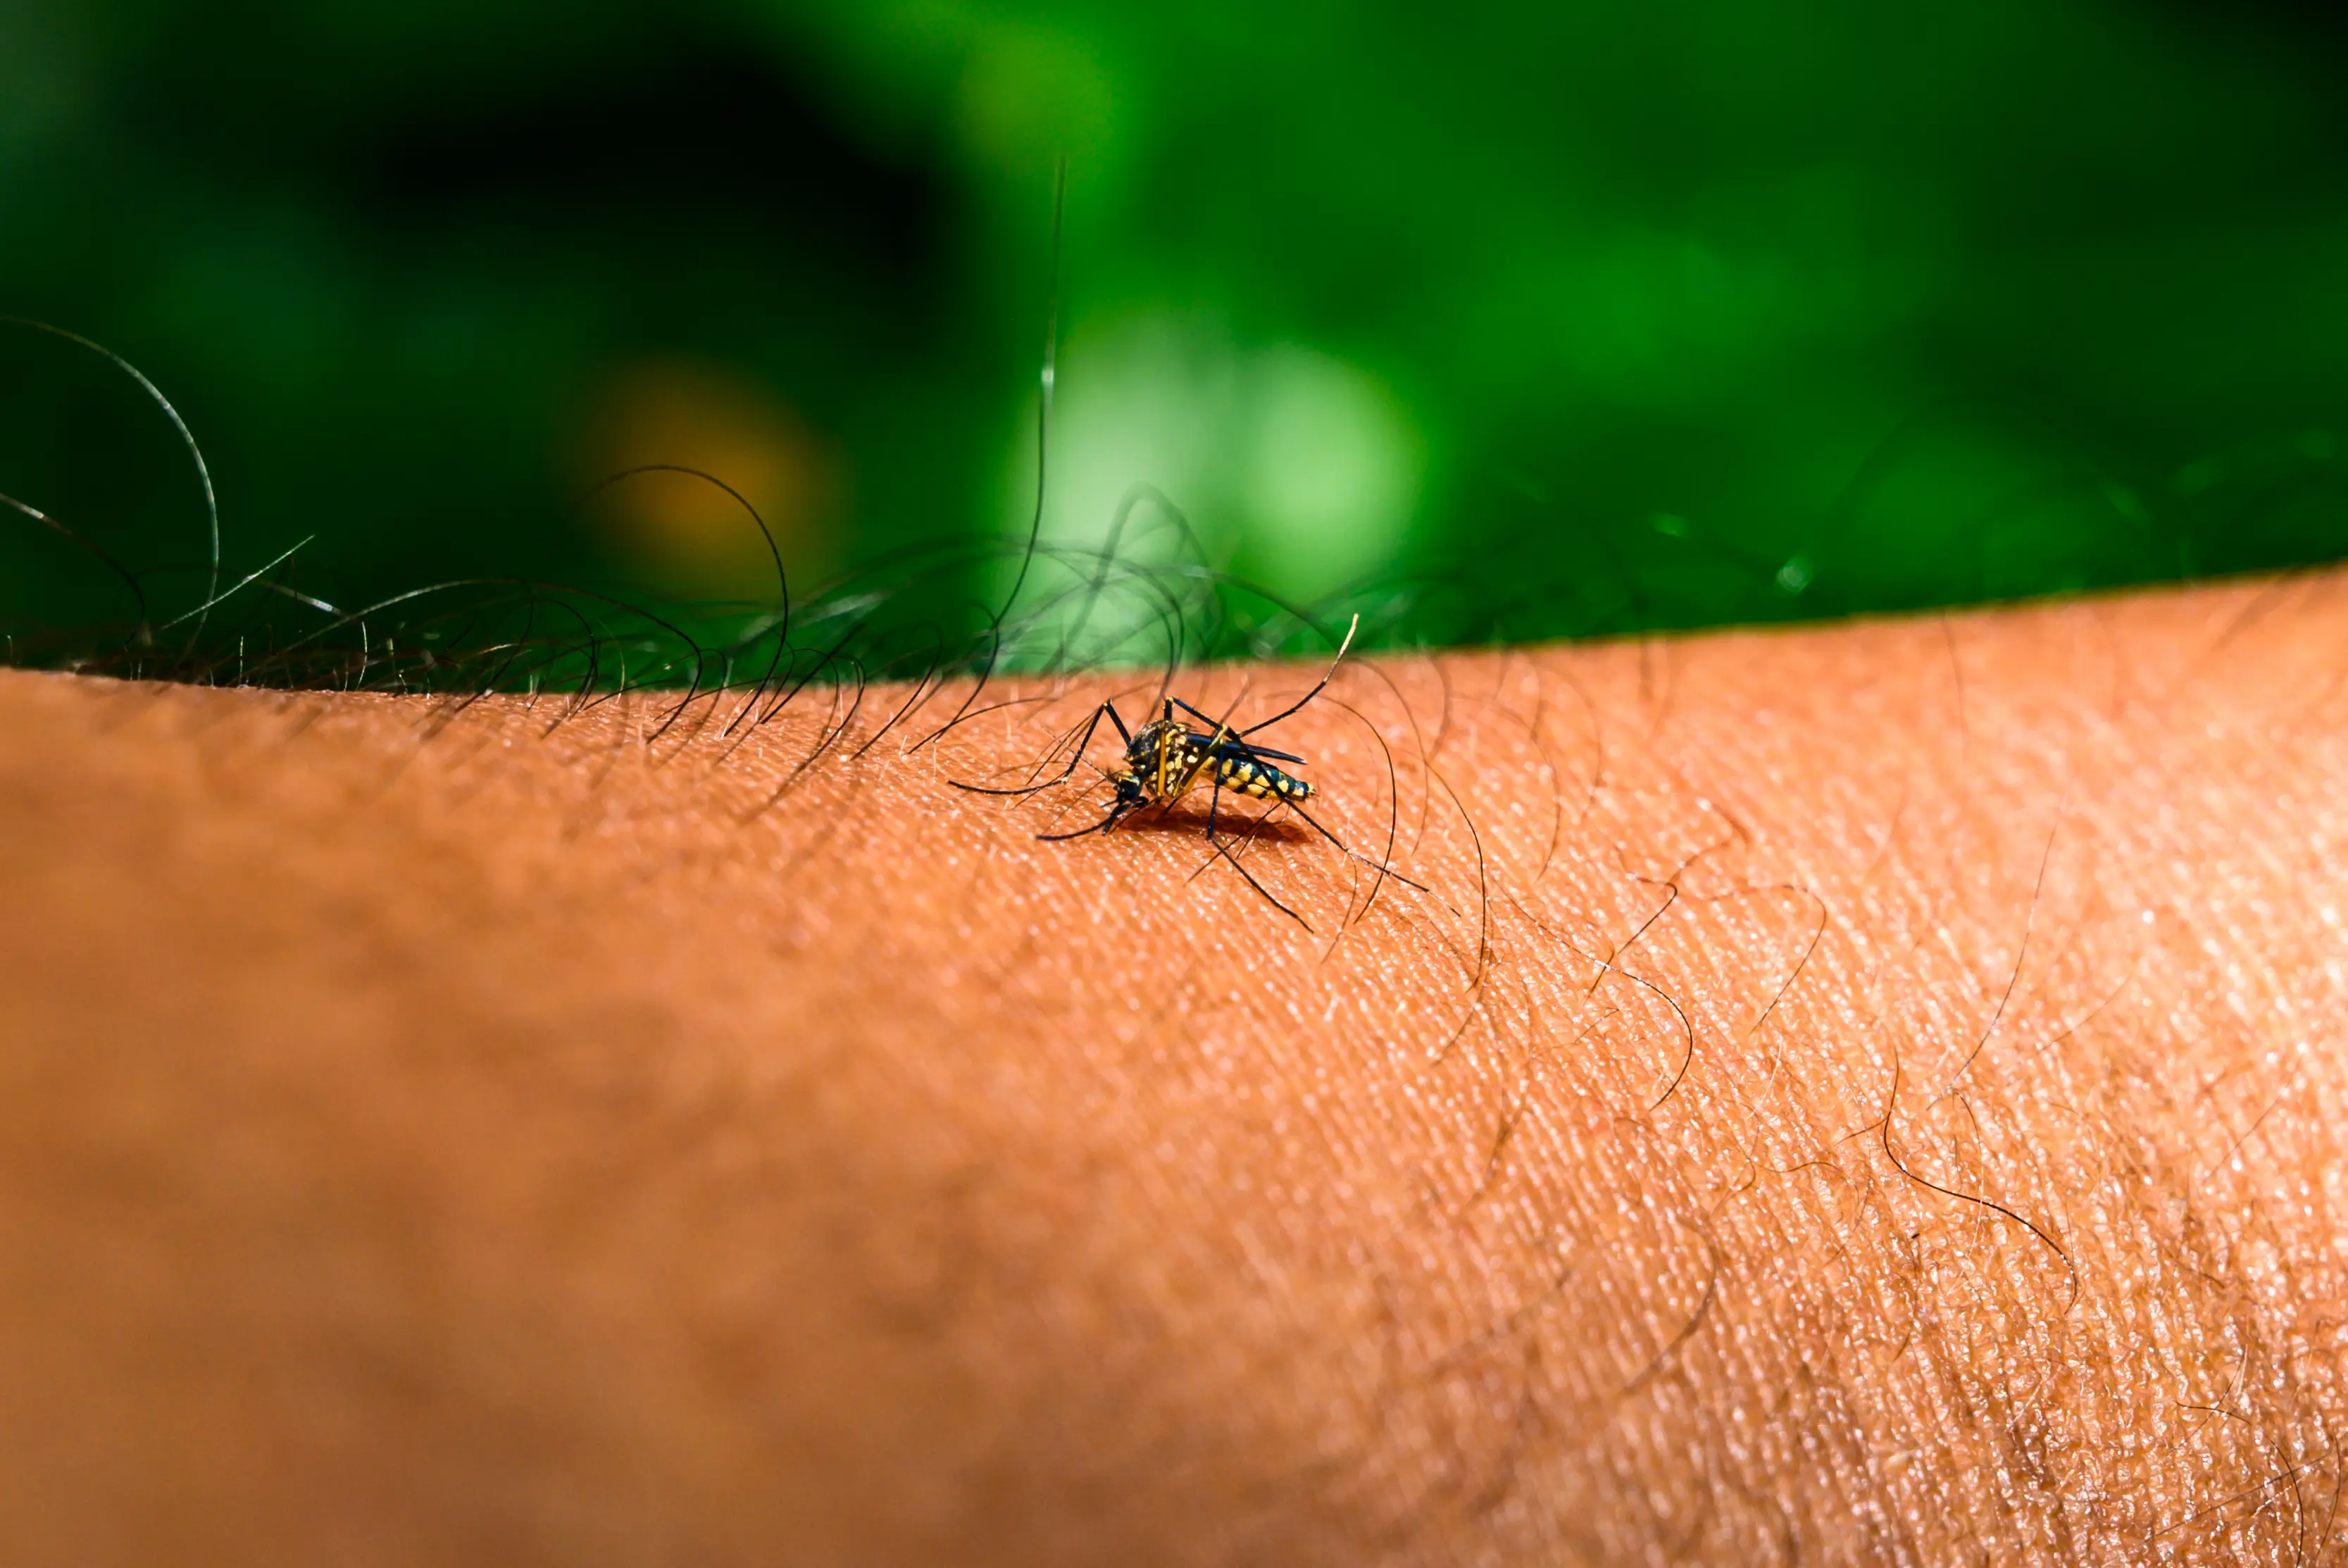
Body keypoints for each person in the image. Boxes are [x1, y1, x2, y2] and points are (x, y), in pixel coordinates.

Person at [3, 571, 2342, 1564]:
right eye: (1167, 774)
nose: (1154, 778)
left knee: (1188, 768)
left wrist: (1224, 799)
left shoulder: (1200, 776)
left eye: (1167, 774)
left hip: (1249, 784)